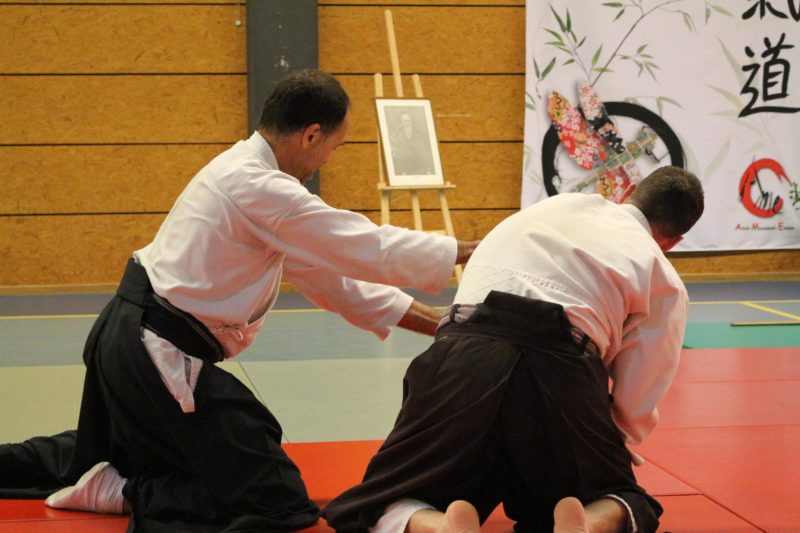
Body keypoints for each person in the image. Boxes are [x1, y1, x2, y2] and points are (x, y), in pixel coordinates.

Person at [0, 69, 478, 532]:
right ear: (311, 135)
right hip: (156, 351)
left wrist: (441, 324)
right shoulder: (257, 185)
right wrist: (468, 250)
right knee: (276, 498)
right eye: (336, 145)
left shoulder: (251, 179)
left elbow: (333, 282)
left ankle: (108, 470)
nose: (330, 158)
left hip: (131, 341)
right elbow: (365, 245)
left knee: (103, 450)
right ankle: (122, 490)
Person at [322, 166, 705, 533]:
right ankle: (589, 523)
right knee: (615, 496)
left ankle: (436, 526)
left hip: (461, 353)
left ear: (627, 192)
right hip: (561, 367)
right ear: (673, 242)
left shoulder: (551, 207)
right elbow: (639, 391)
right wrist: (609, 446)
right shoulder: (662, 273)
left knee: (384, 496)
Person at [389, 111, 435, 175]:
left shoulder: (418, 137)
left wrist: (428, 170)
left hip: (421, 171)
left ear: (412, 123)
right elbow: (398, 160)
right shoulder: (398, 139)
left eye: (409, 121)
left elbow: (425, 155)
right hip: (406, 173)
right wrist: (403, 173)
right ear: (401, 124)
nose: (408, 123)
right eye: (405, 121)